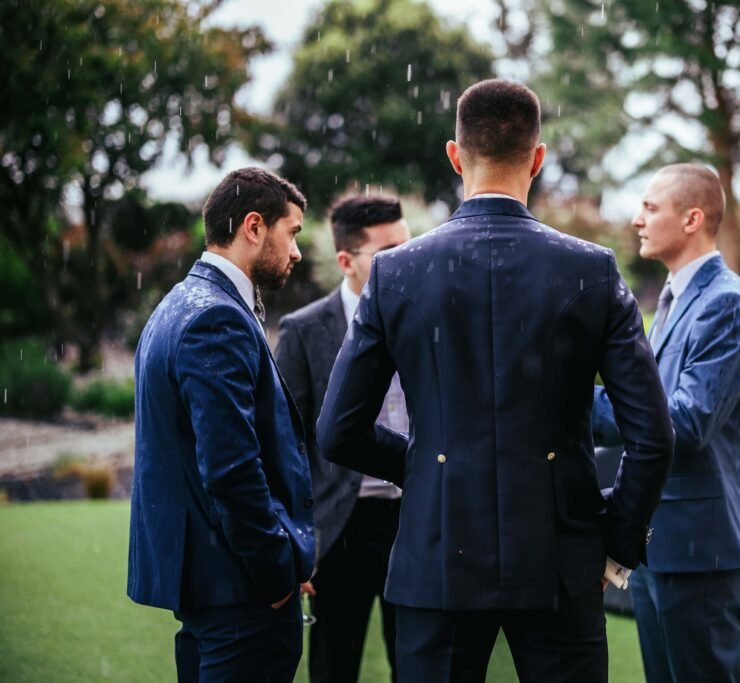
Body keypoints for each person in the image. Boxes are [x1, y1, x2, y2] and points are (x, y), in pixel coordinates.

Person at [316, 79, 673, 683]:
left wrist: (427, 467)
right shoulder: (590, 268)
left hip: (438, 553)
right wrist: (612, 537)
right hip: (561, 557)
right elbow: (653, 436)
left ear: (455, 156)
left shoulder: (397, 272)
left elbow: (338, 432)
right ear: (538, 157)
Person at [128, 167, 316, 683]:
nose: (297, 252)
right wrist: (277, 567)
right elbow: (231, 467)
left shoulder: (176, 304)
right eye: (292, 232)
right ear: (254, 227)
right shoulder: (217, 316)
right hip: (241, 597)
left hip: (210, 589)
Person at [592, 163, 740, 683]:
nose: (636, 220)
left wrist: (575, 411)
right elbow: (651, 402)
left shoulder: (726, 304)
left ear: (692, 219)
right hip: (658, 542)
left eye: (649, 207)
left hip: (701, 548)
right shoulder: (672, 300)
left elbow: (687, 422)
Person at [275, 195, 411, 683]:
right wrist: (297, 539)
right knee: (334, 666)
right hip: (339, 527)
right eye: (388, 251)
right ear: (345, 261)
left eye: (408, 245)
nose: (405, 259)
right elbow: (283, 442)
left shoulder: (429, 319)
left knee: (421, 664)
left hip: (416, 520)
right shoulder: (304, 329)